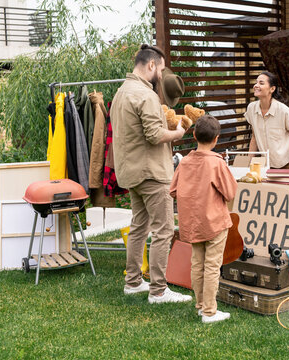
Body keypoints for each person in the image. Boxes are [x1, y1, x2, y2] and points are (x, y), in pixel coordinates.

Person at [111, 44, 191, 304]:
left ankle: (133, 282)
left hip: (131, 172)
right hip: (152, 174)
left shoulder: (121, 92)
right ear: (151, 65)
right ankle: (158, 290)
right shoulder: (145, 95)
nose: (162, 74)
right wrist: (178, 133)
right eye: (162, 68)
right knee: (164, 230)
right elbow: (155, 135)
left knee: (139, 227)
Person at [170, 114, 238, 323]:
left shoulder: (185, 162)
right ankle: (209, 311)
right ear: (216, 138)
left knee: (197, 263)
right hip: (215, 222)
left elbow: (173, 190)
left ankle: (200, 305)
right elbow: (230, 192)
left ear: (194, 135)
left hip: (192, 223)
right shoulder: (217, 164)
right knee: (211, 266)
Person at [245, 71, 289, 169]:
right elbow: (254, 137)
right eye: (256, 82)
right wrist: (248, 162)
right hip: (265, 165)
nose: (256, 85)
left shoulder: (283, 111)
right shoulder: (251, 108)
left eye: (261, 83)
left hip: (287, 164)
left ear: (272, 89)